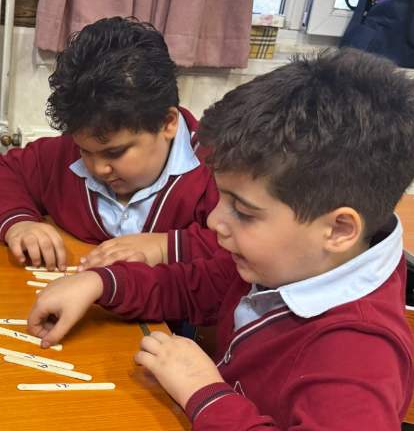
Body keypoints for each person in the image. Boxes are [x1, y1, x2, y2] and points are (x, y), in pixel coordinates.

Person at [27, 49, 414, 429]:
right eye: (222, 199)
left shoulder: (360, 359)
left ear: (339, 230)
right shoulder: (286, 264)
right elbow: (191, 287)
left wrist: (205, 393)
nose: (214, 220)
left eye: (242, 210)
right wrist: (100, 283)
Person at [0, 17, 220, 273]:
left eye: (115, 152)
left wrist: (166, 247)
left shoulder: (218, 170)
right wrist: (19, 224)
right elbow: (0, 171)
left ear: (167, 123)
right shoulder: (69, 152)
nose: (99, 168)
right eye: (85, 151)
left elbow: (239, 246)